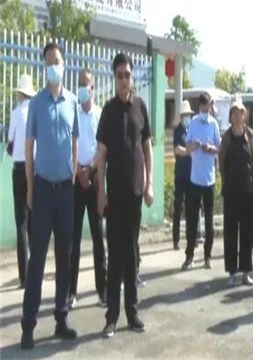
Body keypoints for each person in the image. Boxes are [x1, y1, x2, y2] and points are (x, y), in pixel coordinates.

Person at [20, 42, 80, 351]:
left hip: (65, 191)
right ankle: (28, 325)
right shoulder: (37, 104)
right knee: (37, 261)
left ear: (64, 64)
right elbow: (29, 148)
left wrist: (72, 175)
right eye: (48, 62)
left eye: (57, 61)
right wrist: (30, 190)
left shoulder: (72, 102)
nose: (53, 66)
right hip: (42, 190)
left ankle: (61, 317)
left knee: (64, 258)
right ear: (44, 68)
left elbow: (75, 142)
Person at [97, 52, 154, 338]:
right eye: (119, 75)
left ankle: (132, 313)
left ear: (132, 78)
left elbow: (147, 148)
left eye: (127, 75)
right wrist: (101, 192)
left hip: (134, 194)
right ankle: (111, 317)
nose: (123, 80)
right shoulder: (108, 111)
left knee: (131, 254)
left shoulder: (140, 107)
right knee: (115, 256)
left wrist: (149, 183)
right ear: (114, 78)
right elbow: (102, 154)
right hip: (114, 196)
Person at [69, 69, 107, 309]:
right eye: (80, 85)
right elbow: (69, 145)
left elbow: (102, 150)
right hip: (75, 180)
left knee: (98, 237)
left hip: (93, 179)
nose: (83, 89)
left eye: (87, 85)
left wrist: (89, 170)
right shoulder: (72, 113)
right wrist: (77, 172)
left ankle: (102, 291)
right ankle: (70, 292)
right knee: (73, 238)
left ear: (93, 88)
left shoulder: (100, 115)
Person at [220, 99, 253, 287]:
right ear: (231, 115)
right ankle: (231, 272)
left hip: (247, 190)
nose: (237, 116)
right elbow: (221, 161)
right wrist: (225, 182)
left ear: (244, 115)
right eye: (234, 112)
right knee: (231, 232)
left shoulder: (249, 135)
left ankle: (245, 272)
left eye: (240, 112)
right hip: (231, 191)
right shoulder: (227, 137)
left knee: (247, 232)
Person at [181, 92, 220, 270]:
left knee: (209, 222)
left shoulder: (214, 124)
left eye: (209, 107)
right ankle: (189, 256)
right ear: (201, 106)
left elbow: (219, 148)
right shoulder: (194, 123)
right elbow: (187, 147)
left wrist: (210, 148)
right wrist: (194, 145)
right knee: (191, 221)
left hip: (209, 179)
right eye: (205, 107)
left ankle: (207, 256)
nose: (208, 110)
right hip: (195, 179)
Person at [7, 73, 35, 290]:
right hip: (33, 170)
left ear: (19, 94)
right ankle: (35, 270)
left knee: (21, 224)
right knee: (34, 223)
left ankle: (24, 277)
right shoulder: (35, 112)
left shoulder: (16, 114)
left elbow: (10, 142)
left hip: (18, 170)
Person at [172, 100, 194, 251]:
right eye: (185, 115)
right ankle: (176, 240)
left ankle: (191, 239)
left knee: (190, 209)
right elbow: (176, 149)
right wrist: (187, 151)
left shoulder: (192, 130)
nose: (187, 118)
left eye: (188, 115)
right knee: (178, 208)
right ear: (181, 117)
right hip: (180, 175)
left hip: (191, 174)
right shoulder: (177, 131)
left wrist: (188, 150)